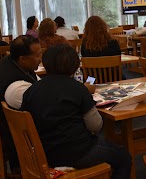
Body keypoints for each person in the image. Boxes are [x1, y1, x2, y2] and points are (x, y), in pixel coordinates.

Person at [21, 45, 131, 179]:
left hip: (43, 154)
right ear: (74, 65)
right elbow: (95, 126)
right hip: (77, 153)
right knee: (123, 157)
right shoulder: (78, 89)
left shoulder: (31, 90)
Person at [0, 35, 42, 172]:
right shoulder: (14, 83)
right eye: (38, 55)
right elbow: (39, 104)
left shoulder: (9, 61)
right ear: (22, 59)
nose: (40, 58)